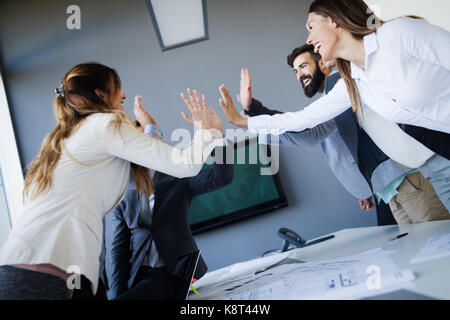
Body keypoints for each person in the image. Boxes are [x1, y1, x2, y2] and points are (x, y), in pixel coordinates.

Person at [0, 62, 224, 300]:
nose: (124, 95)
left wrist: (151, 129)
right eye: (118, 88)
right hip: (50, 273)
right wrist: (209, 132)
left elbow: (136, 165)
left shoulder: (69, 136)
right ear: (100, 94)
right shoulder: (103, 123)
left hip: (28, 268)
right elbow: (184, 164)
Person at [218, 0, 450, 210]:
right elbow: (303, 120)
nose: (308, 39)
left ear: (333, 20)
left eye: (311, 27)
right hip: (435, 168)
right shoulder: (354, 82)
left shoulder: (397, 33)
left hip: (423, 170)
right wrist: (244, 120)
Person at [237, 45, 448, 224]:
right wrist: (363, 185)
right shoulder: (332, 96)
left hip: (408, 182)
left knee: (440, 250)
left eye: (303, 66)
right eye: (295, 71)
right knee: (424, 254)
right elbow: (340, 145)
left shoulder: (341, 85)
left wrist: (254, 111)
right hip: (391, 190)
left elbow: (308, 133)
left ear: (322, 63)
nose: (299, 75)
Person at [104, 103, 234, 300]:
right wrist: (115, 293)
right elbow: (118, 249)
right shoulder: (123, 191)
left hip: (173, 274)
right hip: (136, 276)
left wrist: (219, 137)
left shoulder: (177, 176)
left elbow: (221, 177)